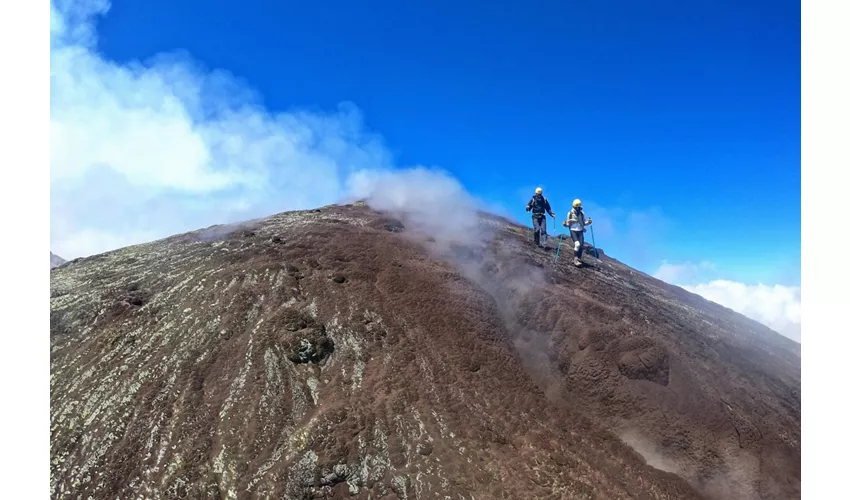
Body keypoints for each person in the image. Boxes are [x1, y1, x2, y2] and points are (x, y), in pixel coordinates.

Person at [563, 199, 592, 266]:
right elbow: (567, 224)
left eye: (578, 207)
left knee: (581, 246)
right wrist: (565, 224)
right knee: (577, 244)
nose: (577, 208)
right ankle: (575, 259)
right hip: (573, 230)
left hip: (580, 231)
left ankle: (579, 259)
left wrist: (589, 222)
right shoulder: (570, 213)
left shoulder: (582, 213)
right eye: (575, 207)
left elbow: (584, 223)